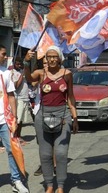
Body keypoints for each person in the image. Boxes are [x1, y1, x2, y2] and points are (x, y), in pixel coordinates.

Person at [24, 46, 79, 193]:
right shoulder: (41, 73)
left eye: (55, 56)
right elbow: (29, 78)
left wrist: (74, 117)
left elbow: (71, 97)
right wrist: (26, 62)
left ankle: (60, 185)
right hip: (42, 116)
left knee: (61, 153)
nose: (52, 59)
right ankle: (49, 184)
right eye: (49, 57)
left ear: (60, 58)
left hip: (63, 116)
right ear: (46, 59)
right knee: (45, 154)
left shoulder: (67, 74)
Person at [0, 44, 29, 193]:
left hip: (4, 119)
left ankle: (16, 180)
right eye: (3, 54)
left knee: (13, 150)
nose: (6, 57)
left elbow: (11, 95)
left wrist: (15, 118)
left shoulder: (5, 74)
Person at [11, 57, 30, 146]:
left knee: (21, 119)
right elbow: (15, 86)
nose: (19, 65)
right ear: (14, 64)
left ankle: (19, 135)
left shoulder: (21, 72)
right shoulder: (13, 73)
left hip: (25, 98)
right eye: (17, 64)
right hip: (18, 98)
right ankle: (14, 137)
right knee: (17, 119)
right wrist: (21, 76)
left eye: (20, 64)